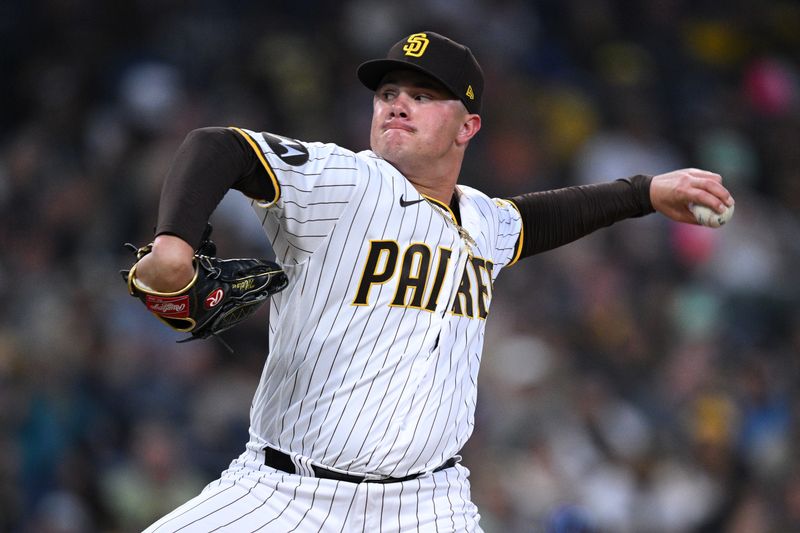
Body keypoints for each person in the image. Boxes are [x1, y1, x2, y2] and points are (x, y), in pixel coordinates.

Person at [134, 31, 734, 532]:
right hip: (287, 494)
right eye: (388, 93)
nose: (397, 103)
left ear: (467, 126)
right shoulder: (343, 180)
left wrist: (645, 194)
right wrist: (172, 246)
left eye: (423, 95)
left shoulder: (481, 219)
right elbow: (218, 147)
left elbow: (538, 219)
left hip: (427, 505)